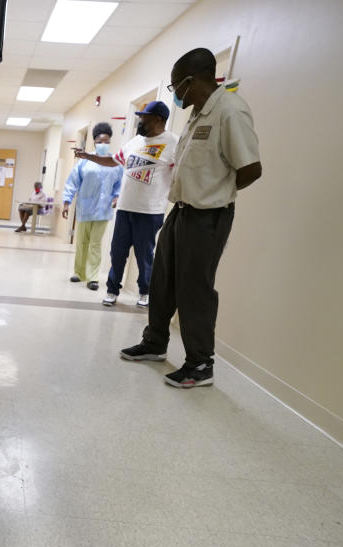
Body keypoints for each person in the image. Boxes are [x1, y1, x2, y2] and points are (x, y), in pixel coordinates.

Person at [120, 48, 262, 388]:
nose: (176, 94)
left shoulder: (230, 111)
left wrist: (217, 193)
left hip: (207, 216)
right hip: (181, 212)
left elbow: (251, 168)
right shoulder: (199, 114)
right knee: (162, 280)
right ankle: (155, 343)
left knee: (194, 289)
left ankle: (200, 364)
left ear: (193, 80)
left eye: (175, 86)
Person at [75, 101, 178, 307]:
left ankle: (144, 292)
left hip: (149, 211)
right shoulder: (135, 141)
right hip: (125, 208)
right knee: (117, 252)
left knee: (144, 255)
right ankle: (112, 291)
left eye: (145, 118)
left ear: (158, 119)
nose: (140, 122)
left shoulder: (174, 143)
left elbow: (181, 174)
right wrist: (87, 155)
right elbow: (113, 160)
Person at [62, 122, 124, 290]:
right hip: (85, 207)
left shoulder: (114, 163)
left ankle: (93, 277)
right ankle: (79, 272)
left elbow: (120, 184)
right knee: (82, 242)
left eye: (107, 141)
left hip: (104, 210)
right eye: (100, 141)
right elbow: (72, 182)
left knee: (96, 244)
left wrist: (117, 197)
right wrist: (67, 203)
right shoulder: (84, 162)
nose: (104, 144)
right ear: (94, 142)